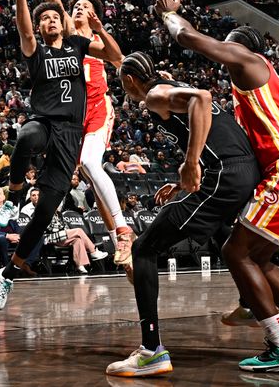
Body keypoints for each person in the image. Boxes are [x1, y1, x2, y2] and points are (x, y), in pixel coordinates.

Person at [156, 0, 279, 372]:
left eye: (227, 49)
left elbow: (189, 39)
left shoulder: (249, 60)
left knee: (235, 252)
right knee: (256, 255)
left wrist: (172, 15)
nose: (224, 56)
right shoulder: (253, 93)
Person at [106, 52, 260, 377]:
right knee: (221, 232)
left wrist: (191, 163)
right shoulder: (170, 87)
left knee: (143, 248)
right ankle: (252, 300)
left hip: (225, 174)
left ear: (130, 81)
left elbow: (203, 99)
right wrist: (181, 182)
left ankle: (151, 351)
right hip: (243, 172)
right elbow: (210, 126)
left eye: (122, 83)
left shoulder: (154, 95)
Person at [0, 0, 121, 310]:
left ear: (62, 25)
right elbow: (24, 30)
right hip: (45, 124)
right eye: (43, 18)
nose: (48, 20)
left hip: (70, 135)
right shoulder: (37, 51)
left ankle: (9, 274)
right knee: (26, 136)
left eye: (53, 17)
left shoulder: (79, 46)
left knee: (46, 211)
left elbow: (115, 55)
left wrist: (99, 26)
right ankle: (15, 193)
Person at [39, 0, 135, 265]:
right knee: (92, 177)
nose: (77, 8)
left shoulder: (93, 41)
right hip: (73, 114)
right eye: (75, 5)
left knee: (93, 165)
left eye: (83, 6)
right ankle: (118, 241)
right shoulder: (67, 33)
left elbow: (118, 58)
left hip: (98, 106)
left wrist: (101, 28)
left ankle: (123, 232)